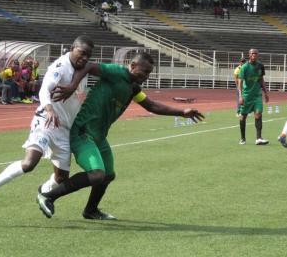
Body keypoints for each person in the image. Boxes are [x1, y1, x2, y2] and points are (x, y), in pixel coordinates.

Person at [36, 52, 205, 220]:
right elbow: (89, 66)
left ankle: (91, 210)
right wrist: (73, 86)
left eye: (149, 73)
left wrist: (182, 112)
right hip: (83, 132)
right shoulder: (116, 72)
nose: (146, 76)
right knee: (97, 174)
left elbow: (151, 105)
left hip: (99, 136)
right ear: (132, 66)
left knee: (108, 175)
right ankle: (48, 196)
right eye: (144, 71)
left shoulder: (133, 88)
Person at [0, 36, 94, 211]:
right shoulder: (60, 67)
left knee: (61, 178)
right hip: (45, 121)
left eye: (87, 56)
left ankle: (43, 191)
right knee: (29, 163)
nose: (84, 58)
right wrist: (49, 109)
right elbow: (44, 89)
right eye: (81, 53)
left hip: (64, 129)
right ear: (72, 48)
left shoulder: (83, 70)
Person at [238, 49, 269, 145]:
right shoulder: (244, 67)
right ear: (249, 55)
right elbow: (240, 83)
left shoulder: (260, 66)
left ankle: (258, 138)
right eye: (252, 54)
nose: (254, 55)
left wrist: (266, 93)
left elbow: (261, 79)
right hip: (247, 96)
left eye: (256, 53)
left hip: (257, 95)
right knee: (243, 116)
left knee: (258, 114)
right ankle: (243, 138)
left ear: (258, 55)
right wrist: (240, 96)